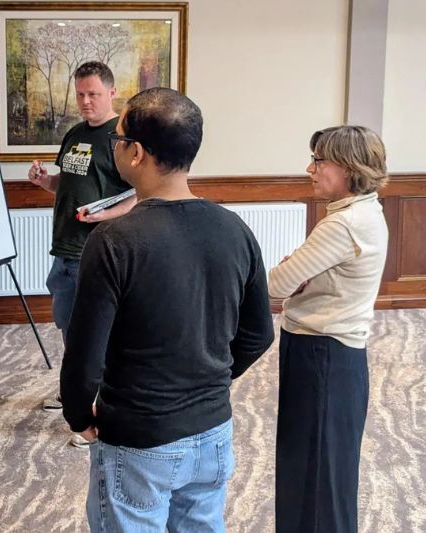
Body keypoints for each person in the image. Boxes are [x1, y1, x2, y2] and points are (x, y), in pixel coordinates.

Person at [60, 87, 274, 532]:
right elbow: (259, 334)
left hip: (139, 438)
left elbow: (84, 352)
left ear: (136, 152)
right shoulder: (235, 229)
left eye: (118, 139)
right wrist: (209, 378)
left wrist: (78, 414)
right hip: (214, 431)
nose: (115, 147)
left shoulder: (113, 240)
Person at [268, 126, 389, 533]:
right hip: (335, 355)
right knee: (319, 473)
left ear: (349, 167)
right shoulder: (366, 211)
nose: (310, 169)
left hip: (322, 355)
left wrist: (292, 272)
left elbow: (276, 284)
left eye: (319, 161)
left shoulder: (343, 224)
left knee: (316, 476)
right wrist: (296, 274)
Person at [26, 61, 136, 444]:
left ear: (112, 93)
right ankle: (74, 390)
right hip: (65, 249)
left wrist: (106, 215)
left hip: (96, 252)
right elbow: (66, 183)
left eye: (94, 94)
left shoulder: (122, 139)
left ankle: (95, 413)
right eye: (80, 94)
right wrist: (44, 180)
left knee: (94, 335)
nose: (86, 101)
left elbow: (139, 195)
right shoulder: (74, 134)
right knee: (69, 327)